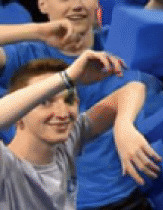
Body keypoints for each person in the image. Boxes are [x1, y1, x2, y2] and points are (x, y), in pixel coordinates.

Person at [0, 52, 152, 210]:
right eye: (45, 101)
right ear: (19, 114)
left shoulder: (67, 142)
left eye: (69, 100)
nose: (62, 113)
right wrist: (67, 77)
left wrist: (123, 125)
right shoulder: (6, 165)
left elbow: (133, 88)